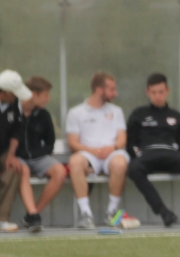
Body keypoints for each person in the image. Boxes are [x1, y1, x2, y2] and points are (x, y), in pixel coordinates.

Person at [65, 72, 140, 230]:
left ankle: (111, 213)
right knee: (75, 161)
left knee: (120, 163)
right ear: (99, 90)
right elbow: (72, 143)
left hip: (111, 153)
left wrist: (112, 148)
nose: (115, 93)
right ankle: (86, 215)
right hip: (88, 154)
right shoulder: (76, 112)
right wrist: (93, 151)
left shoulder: (116, 111)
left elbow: (122, 138)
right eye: (111, 89)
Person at [126, 73, 180, 229]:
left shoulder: (177, 116)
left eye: (160, 92)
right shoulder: (138, 115)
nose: (157, 96)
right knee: (133, 168)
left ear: (167, 91)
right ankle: (164, 212)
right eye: (153, 92)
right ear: (147, 92)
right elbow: (130, 143)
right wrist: (137, 155)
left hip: (170, 155)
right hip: (147, 156)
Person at [13, 77, 67, 232]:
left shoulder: (43, 115)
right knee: (23, 170)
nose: (48, 99)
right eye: (45, 95)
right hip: (17, 157)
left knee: (60, 171)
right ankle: (33, 214)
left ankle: (33, 214)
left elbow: (50, 143)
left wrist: (37, 153)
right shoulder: (12, 111)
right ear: (34, 94)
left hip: (38, 157)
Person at [0, 70, 30, 233]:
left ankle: (2, 219)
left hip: (4, 151)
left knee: (15, 168)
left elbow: (16, 131)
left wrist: (11, 155)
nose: (17, 96)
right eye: (13, 93)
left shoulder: (14, 104)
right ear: (3, 93)